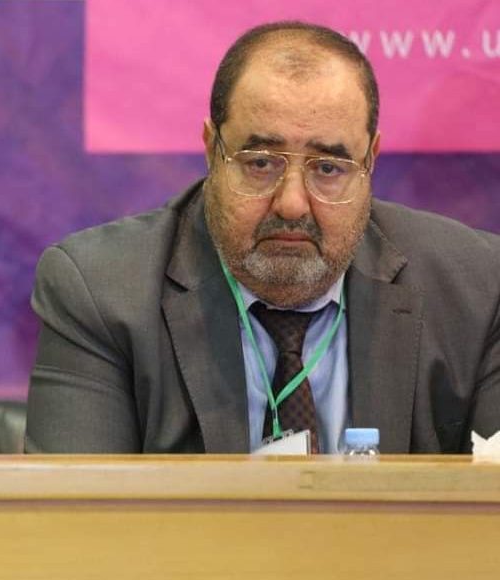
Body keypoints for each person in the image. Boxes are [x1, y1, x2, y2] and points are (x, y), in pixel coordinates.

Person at [25, 21, 500, 454]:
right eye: (260, 163)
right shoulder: (102, 292)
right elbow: (74, 514)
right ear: (212, 151)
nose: (292, 203)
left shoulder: (477, 291)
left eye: (328, 168)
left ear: (369, 161)